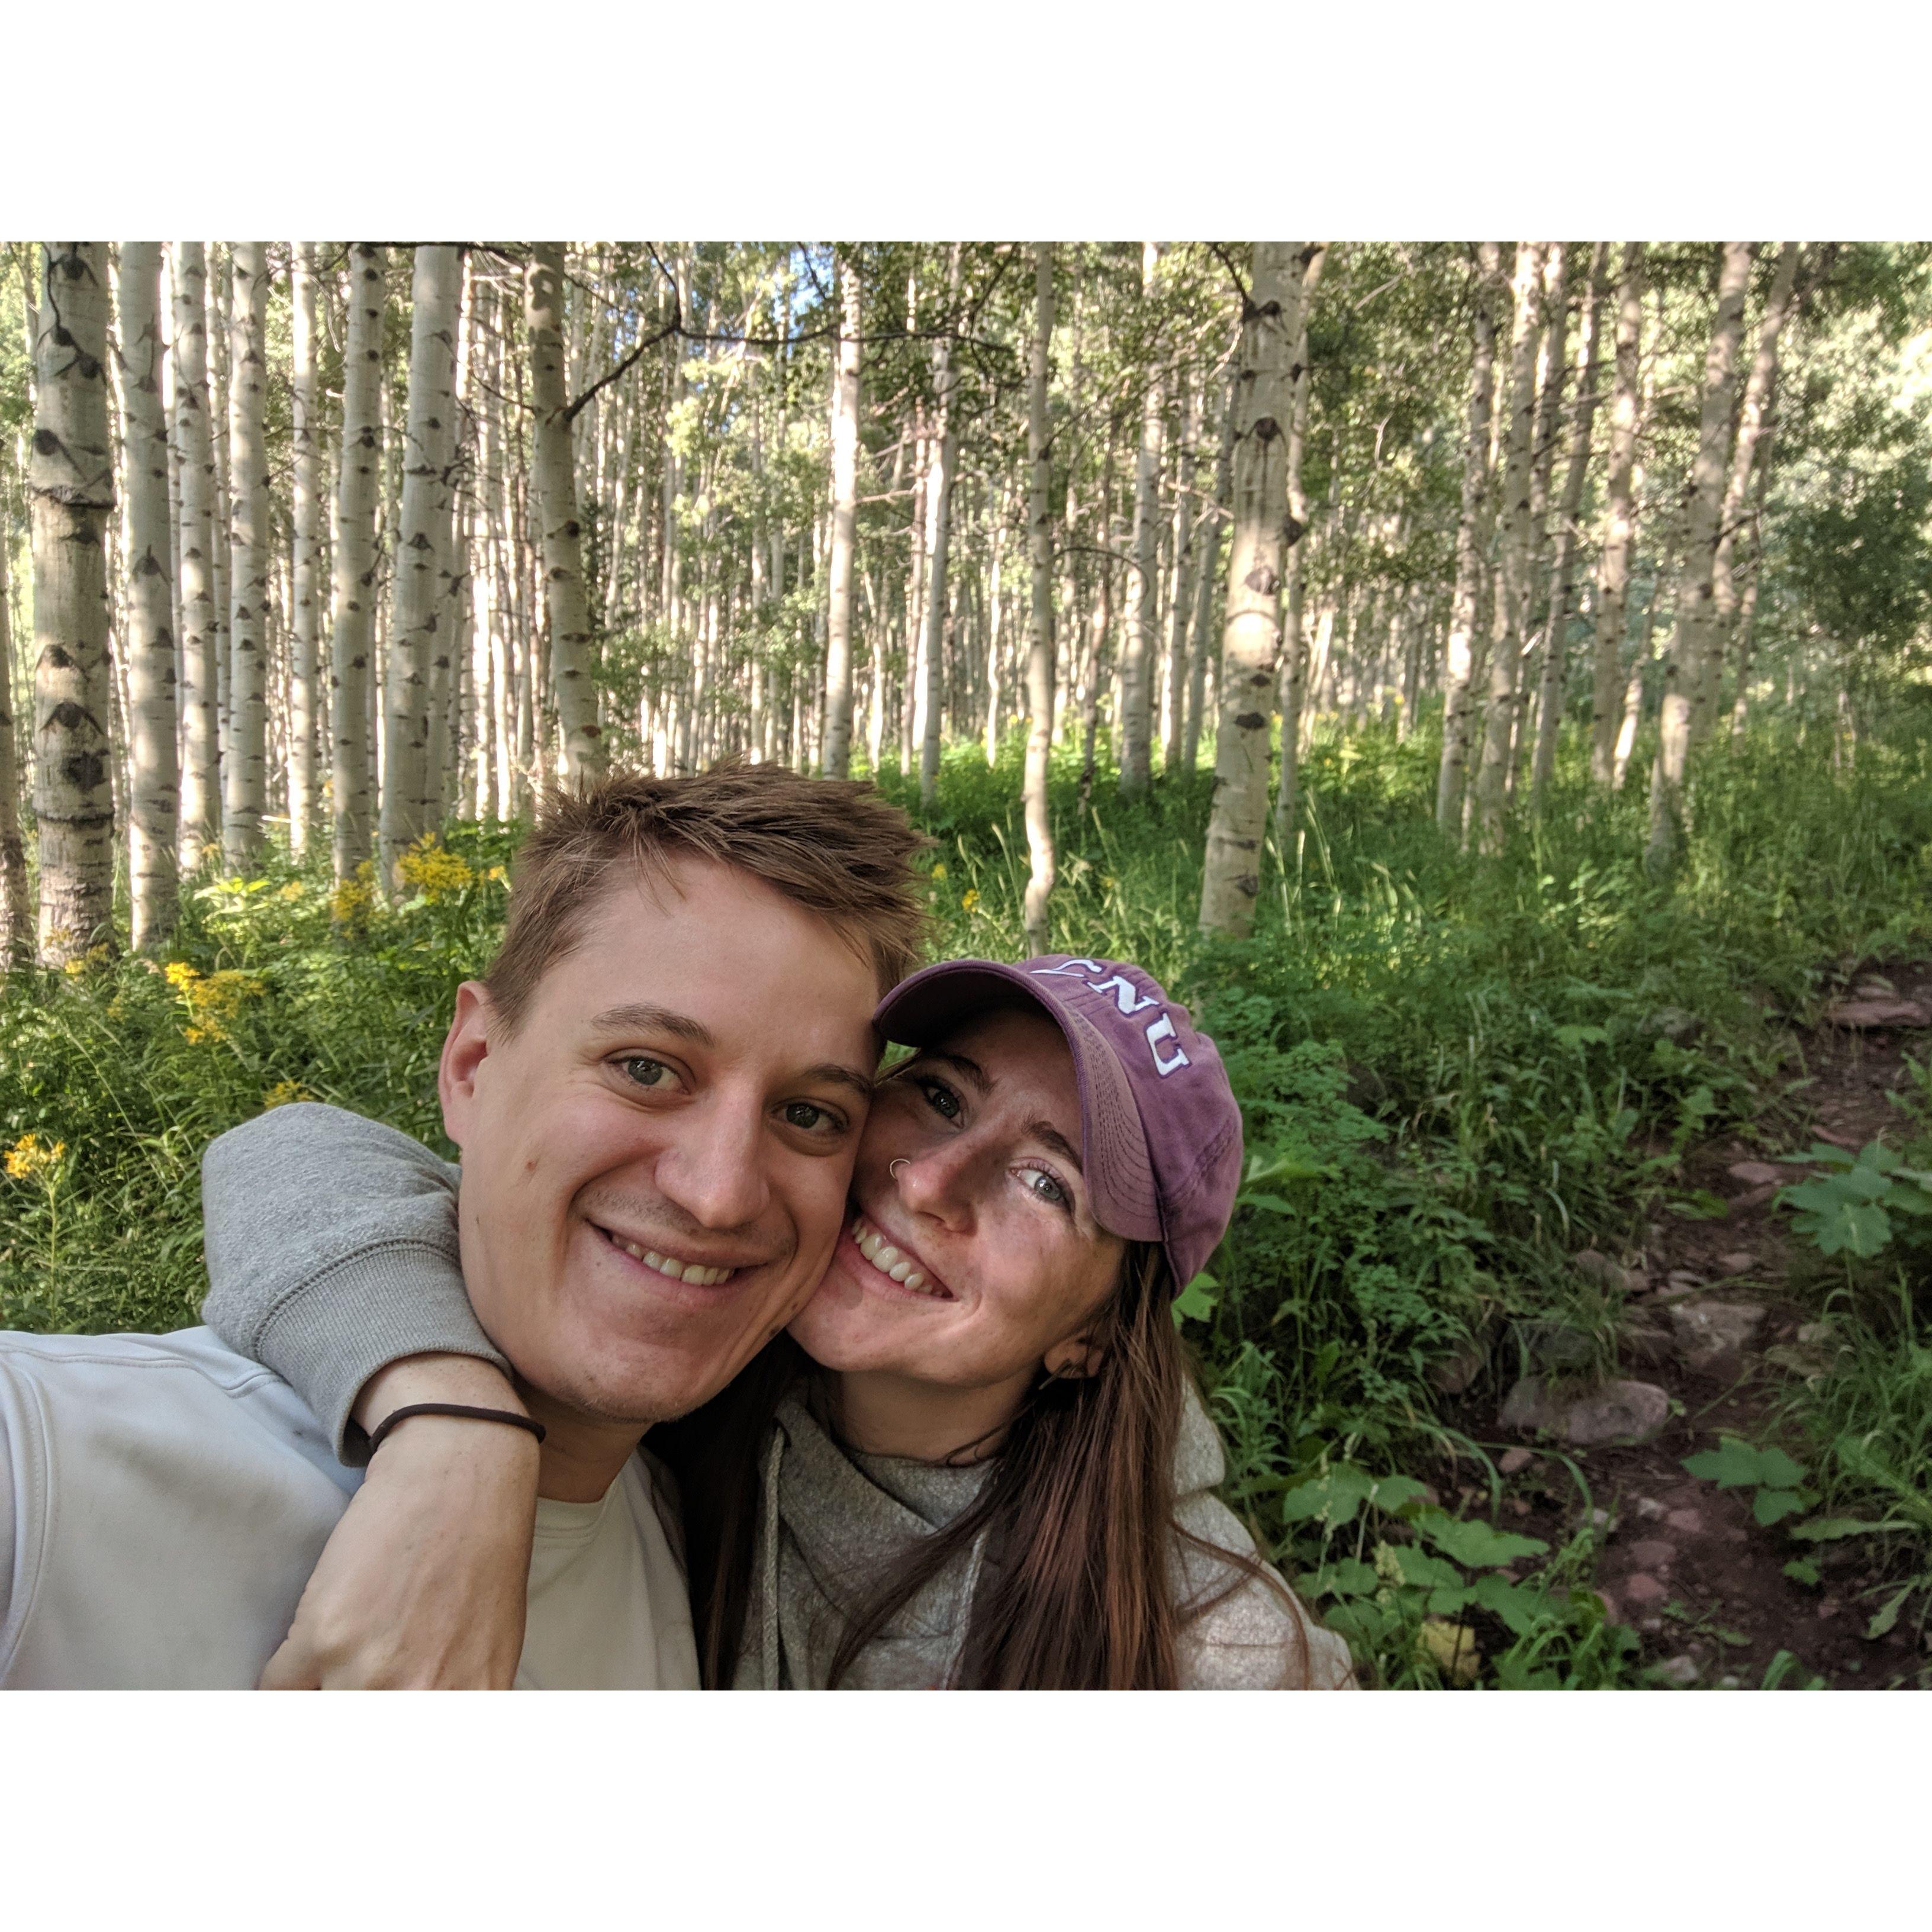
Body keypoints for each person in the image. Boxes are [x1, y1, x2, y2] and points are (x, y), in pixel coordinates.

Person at [0, 765, 928, 1687]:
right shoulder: (52, 1465)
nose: (720, 1194)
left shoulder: (717, 1528)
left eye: (810, 1116)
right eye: (645, 1068)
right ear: (473, 1066)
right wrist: (454, 1418)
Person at [201, 952, 1356, 1690]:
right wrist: (450, 1427)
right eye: (938, 1096)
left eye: (1048, 1184)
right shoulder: (700, 1327)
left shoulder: (1208, 1652)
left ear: (1097, 1335)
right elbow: (288, 1155)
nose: (929, 1180)